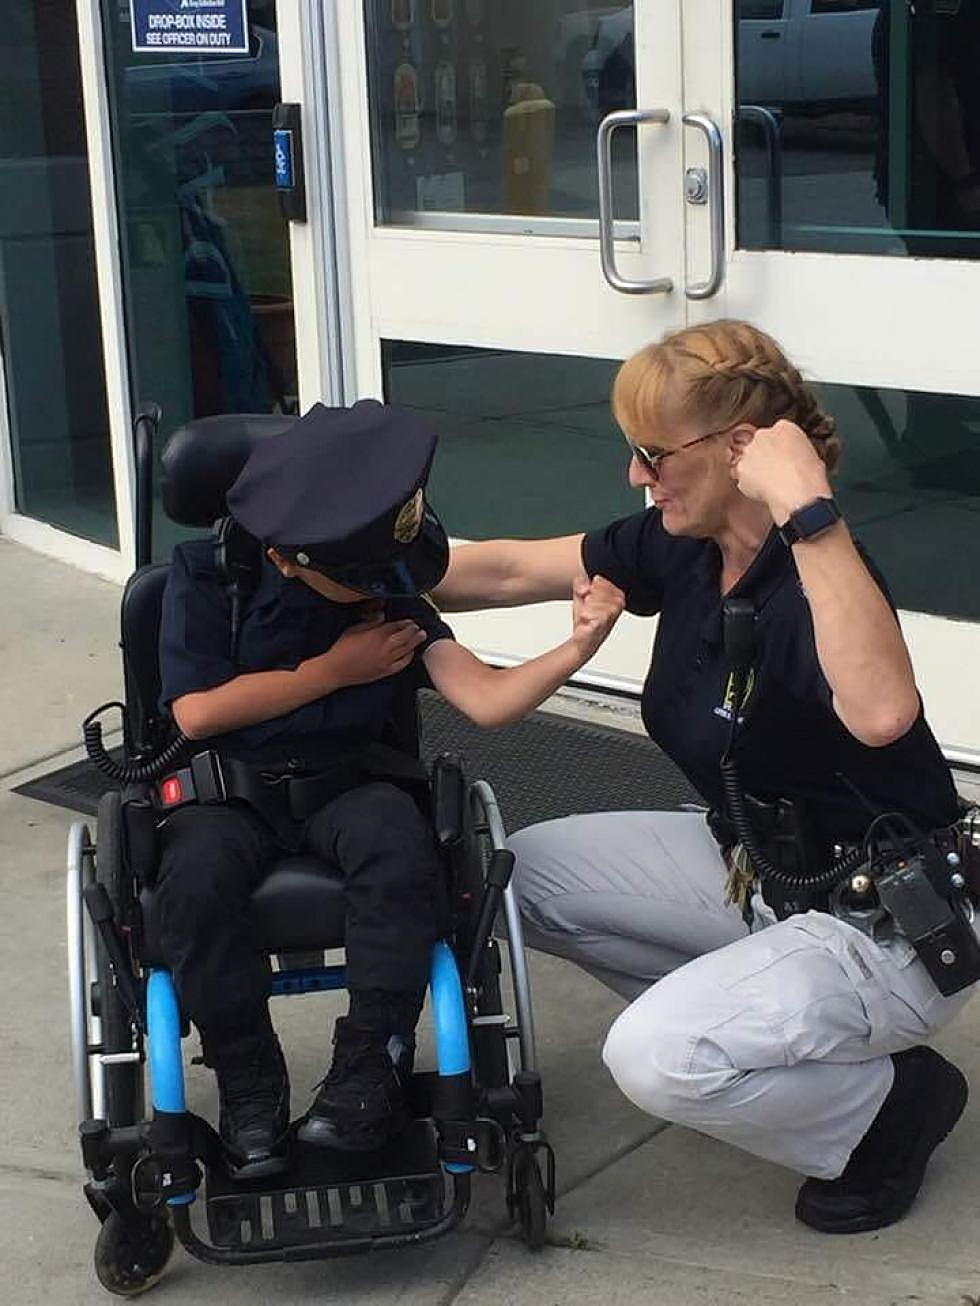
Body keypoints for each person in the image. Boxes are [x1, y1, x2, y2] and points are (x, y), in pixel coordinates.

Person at [432, 319, 974, 1234]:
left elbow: (882, 713)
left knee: (655, 1059)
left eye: (651, 453)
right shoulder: (678, 543)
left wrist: (810, 510)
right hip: (757, 869)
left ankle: (886, 1109)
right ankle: (770, 1039)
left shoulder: (824, 571)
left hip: (883, 915)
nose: (636, 477)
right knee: (521, 880)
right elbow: (508, 569)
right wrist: (342, 561)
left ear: (740, 450)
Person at [155, 399, 623, 1179]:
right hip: (229, 793)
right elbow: (197, 713)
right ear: (285, 558)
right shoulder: (204, 582)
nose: (384, 590)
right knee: (195, 882)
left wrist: (580, 646)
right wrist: (332, 673)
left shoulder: (391, 599)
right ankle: (248, 1083)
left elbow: (487, 700)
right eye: (364, 577)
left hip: (349, 785)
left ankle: (367, 1068)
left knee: (400, 851)